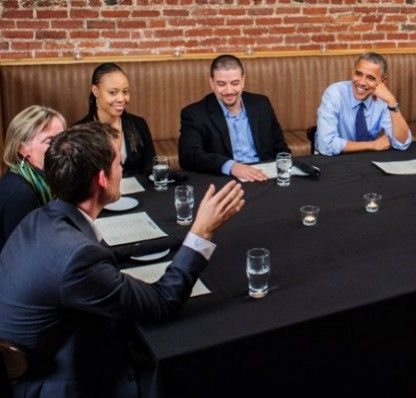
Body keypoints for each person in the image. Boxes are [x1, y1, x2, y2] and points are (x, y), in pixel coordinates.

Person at [0, 122, 245, 397]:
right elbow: (162, 302)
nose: (123, 169)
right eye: (118, 163)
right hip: (60, 382)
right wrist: (202, 232)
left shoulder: (42, 218)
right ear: (102, 179)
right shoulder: (76, 258)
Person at [178, 54, 290, 181]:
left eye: (235, 83)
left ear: (243, 81)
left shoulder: (261, 103)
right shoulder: (194, 113)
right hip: (226, 179)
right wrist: (232, 166)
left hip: (265, 176)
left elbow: (280, 146)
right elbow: (188, 156)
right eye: (221, 84)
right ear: (212, 83)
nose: (229, 90)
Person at [315, 52, 412, 156]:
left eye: (370, 78)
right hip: (334, 158)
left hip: (365, 158)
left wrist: (392, 102)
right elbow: (326, 145)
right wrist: (372, 145)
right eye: (358, 74)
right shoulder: (334, 93)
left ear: (382, 81)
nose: (361, 82)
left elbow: (402, 144)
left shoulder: (383, 99)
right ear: (353, 73)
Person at [0, 105, 65, 251]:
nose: (62, 146)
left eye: (63, 138)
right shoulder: (19, 195)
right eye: (50, 141)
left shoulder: (44, 178)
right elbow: (23, 256)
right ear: (22, 149)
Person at [76, 62, 156, 176]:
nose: (121, 99)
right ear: (95, 91)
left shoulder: (138, 125)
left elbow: (151, 168)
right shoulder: (80, 132)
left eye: (125, 92)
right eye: (113, 92)